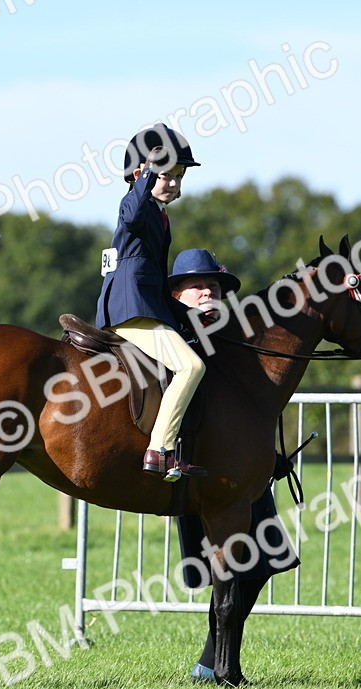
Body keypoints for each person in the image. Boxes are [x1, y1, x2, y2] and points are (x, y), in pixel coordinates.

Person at [166, 249, 302, 683]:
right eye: (197, 285)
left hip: (240, 474)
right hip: (202, 477)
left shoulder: (233, 339)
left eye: (214, 285)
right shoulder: (175, 339)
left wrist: (266, 455)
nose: (208, 292)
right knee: (231, 569)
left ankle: (212, 661)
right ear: (176, 295)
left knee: (264, 561)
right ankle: (215, 665)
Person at [95, 124, 206, 482]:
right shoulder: (137, 206)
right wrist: (146, 174)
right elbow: (129, 214)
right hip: (131, 310)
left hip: (146, 305)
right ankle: (161, 449)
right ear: (139, 174)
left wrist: (186, 314)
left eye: (179, 176)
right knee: (191, 367)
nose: (173, 183)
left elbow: (156, 279)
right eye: (165, 175)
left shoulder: (160, 215)